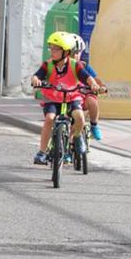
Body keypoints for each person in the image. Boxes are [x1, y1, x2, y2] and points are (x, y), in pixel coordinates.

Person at [30, 32, 100, 165]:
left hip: (72, 97)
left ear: (66, 52)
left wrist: (94, 85)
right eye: (51, 48)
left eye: (56, 49)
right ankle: (42, 152)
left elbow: (87, 77)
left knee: (79, 117)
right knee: (50, 119)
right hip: (53, 98)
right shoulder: (48, 64)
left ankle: (78, 137)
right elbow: (37, 75)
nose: (52, 52)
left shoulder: (75, 65)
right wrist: (35, 80)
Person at [70, 33, 105, 140]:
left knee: (92, 102)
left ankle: (94, 125)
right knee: (71, 126)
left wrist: (101, 86)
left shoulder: (84, 66)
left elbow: (97, 80)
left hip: (85, 95)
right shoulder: (63, 67)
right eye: (71, 53)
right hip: (70, 97)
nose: (74, 56)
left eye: (77, 53)